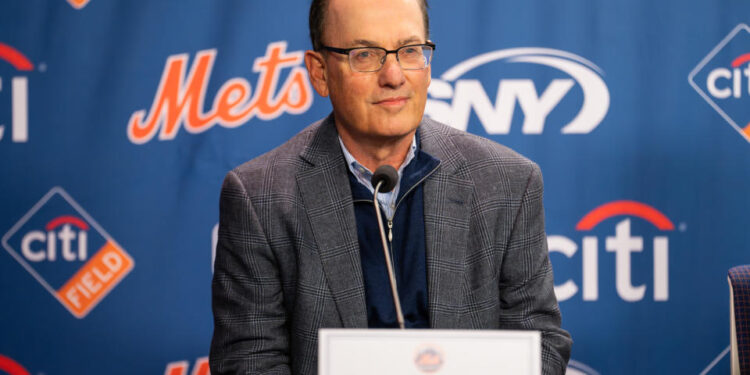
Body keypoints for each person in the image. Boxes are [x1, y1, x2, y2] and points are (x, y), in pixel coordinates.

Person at [210, 0, 572, 373]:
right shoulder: (260, 197)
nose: (394, 75)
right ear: (320, 72)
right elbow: (249, 361)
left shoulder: (508, 182)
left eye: (410, 50)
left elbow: (539, 343)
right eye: (365, 54)